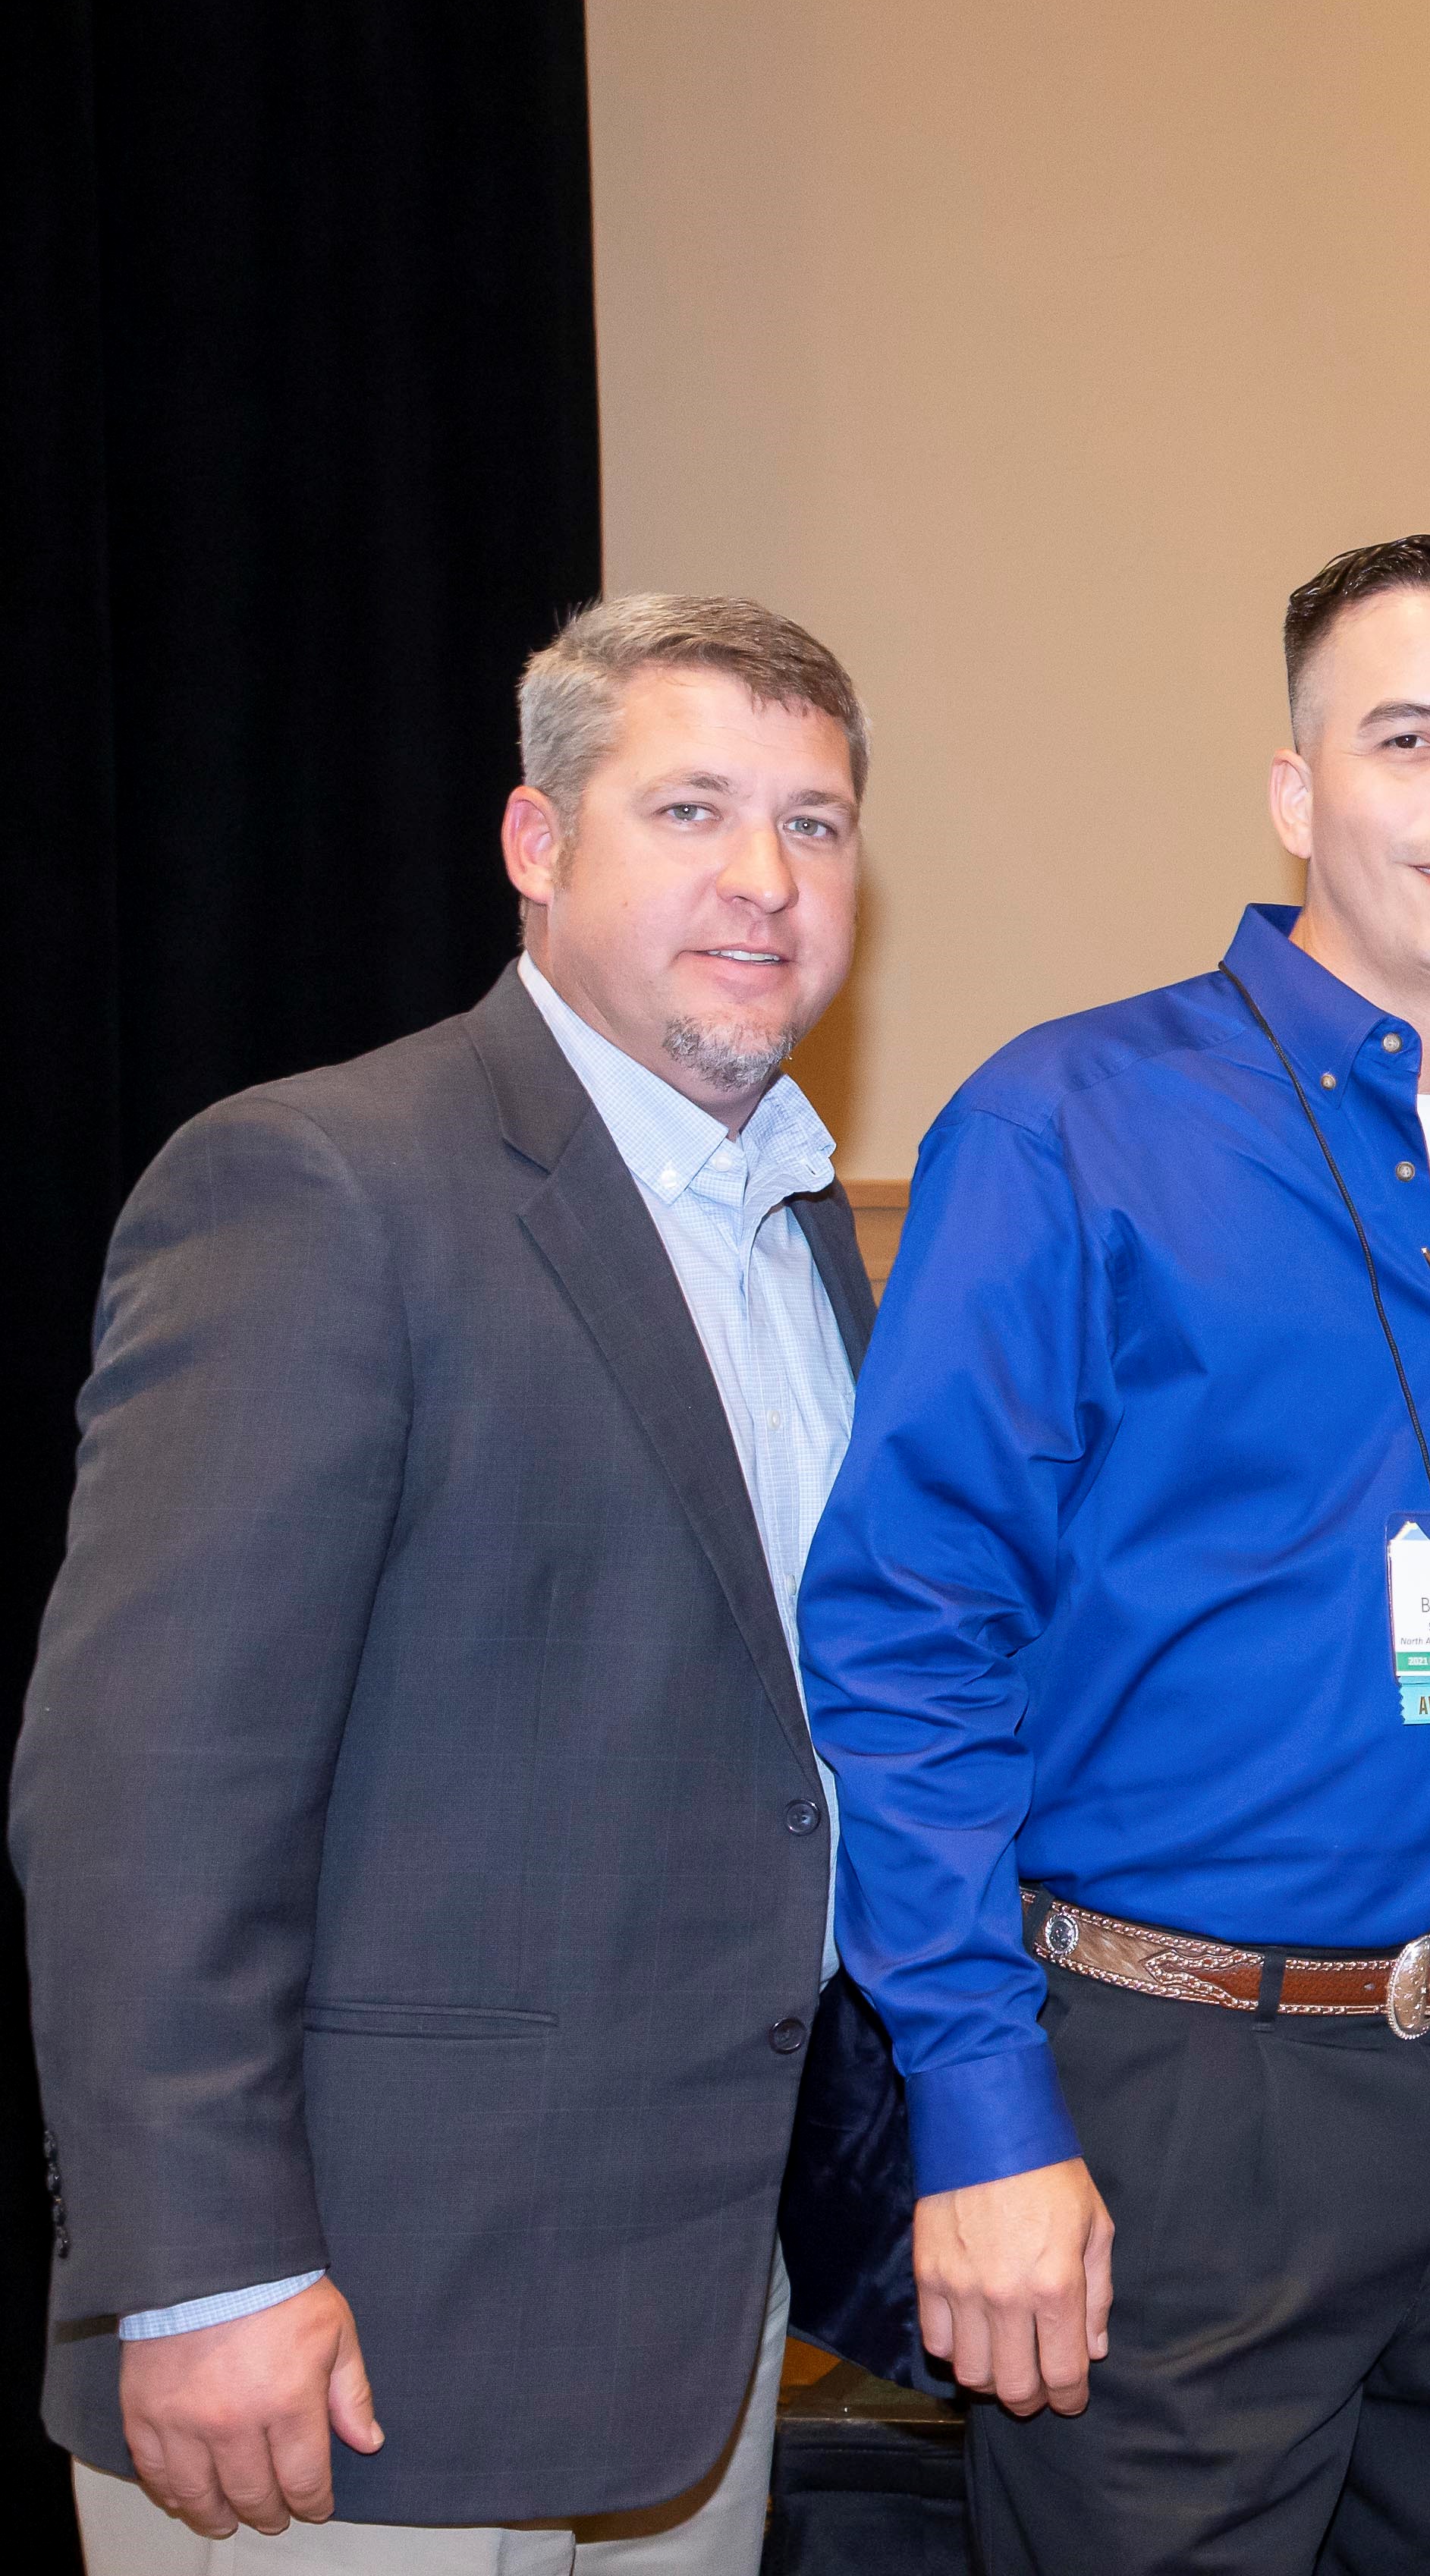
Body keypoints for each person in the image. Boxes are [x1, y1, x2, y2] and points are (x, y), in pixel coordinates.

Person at [799, 535, 1430, 2575]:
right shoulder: (1073, 1124)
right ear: (1294, 795)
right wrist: (984, 2112)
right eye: (1410, 736)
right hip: (1171, 2093)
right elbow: (906, 1637)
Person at [18, 596, 890, 2571]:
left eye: (816, 824)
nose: (763, 879)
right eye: (690, 808)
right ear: (536, 842)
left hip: (680, 2326)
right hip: (350, 2351)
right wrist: (203, 2270)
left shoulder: (799, 1234)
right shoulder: (321, 1187)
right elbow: (147, 1792)